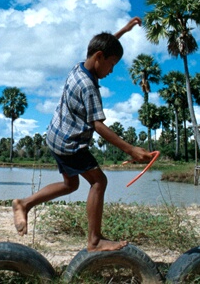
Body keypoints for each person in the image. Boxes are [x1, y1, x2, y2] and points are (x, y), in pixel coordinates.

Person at [12, 17, 154, 252]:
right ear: (99, 58)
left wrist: (123, 31)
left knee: (71, 184)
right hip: (70, 143)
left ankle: (23, 204)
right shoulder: (88, 87)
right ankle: (95, 241)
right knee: (99, 181)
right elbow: (98, 126)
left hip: (57, 135)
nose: (112, 70)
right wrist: (131, 149)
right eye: (112, 64)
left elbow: (103, 47)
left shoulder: (79, 67)